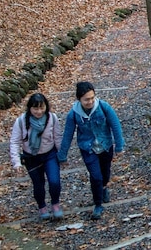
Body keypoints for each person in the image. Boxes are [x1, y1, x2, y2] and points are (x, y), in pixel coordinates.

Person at [58, 81, 124, 220]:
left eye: (92, 98)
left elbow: (115, 125)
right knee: (96, 176)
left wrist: (119, 146)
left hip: (105, 146)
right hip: (88, 148)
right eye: (86, 99)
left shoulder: (104, 107)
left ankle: (104, 187)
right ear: (79, 99)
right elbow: (68, 134)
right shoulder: (74, 114)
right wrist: (62, 155)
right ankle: (98, 204)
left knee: (105, 173)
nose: (90, 101)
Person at [9, 93, 64, 220]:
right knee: (38, 184)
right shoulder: (22, 121)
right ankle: (42, 206)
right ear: (30, 108)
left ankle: (55, 204)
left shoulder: (52, 118)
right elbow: (15, 141)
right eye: (35, 108)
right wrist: (16, 162)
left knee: (54, 181)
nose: (39, 111)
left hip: (50, 154)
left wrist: (62, 156)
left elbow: (57, 137)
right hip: (31, 157)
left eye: (42, 108)